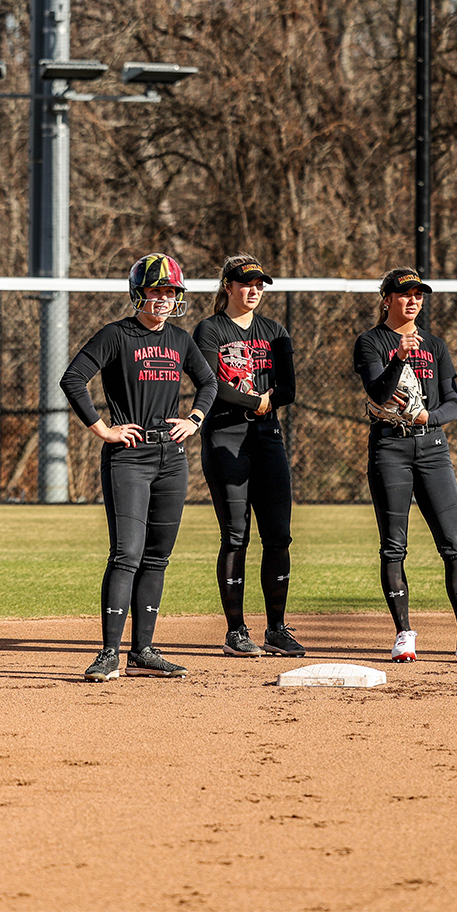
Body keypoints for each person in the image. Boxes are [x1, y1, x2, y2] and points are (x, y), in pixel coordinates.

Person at [62, 253, 218, 681]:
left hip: (172, 457)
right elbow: (73, 378)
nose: (165, 299)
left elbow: (209, 382)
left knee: (157, 557)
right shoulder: (116, 335)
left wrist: (195, 420)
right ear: (138, 294)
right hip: (129, 457)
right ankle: (109, 653)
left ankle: (143, 650)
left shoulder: (181, 340)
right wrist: (103, 430)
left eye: (171, 292)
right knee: (126, 553)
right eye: (157, 291)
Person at [355, 268, 457, 664]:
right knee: (393, 547)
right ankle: (403, 634)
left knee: (454, 544)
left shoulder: (435, 344)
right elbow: (377, 391)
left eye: (419, 294)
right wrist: (398, 356)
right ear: (387, 299)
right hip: (389, 449)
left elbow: (453, 402)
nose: (413, 300)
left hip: (432, 448)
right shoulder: (371, 342)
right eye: (404, 293)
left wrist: (427, 418)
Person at [193, 255, 302, 659]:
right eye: (245, 283)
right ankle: (236, 631)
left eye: (259, 284)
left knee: (278, 535)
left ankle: (276, 629)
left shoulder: (274, 331)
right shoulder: (210, 329)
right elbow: (210, 383)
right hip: (225, 434)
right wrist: (254, 399)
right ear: (228, 286)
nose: (253, 290)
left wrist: (265, 402)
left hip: (266, 437)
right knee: (236, 535)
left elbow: (288, 389)